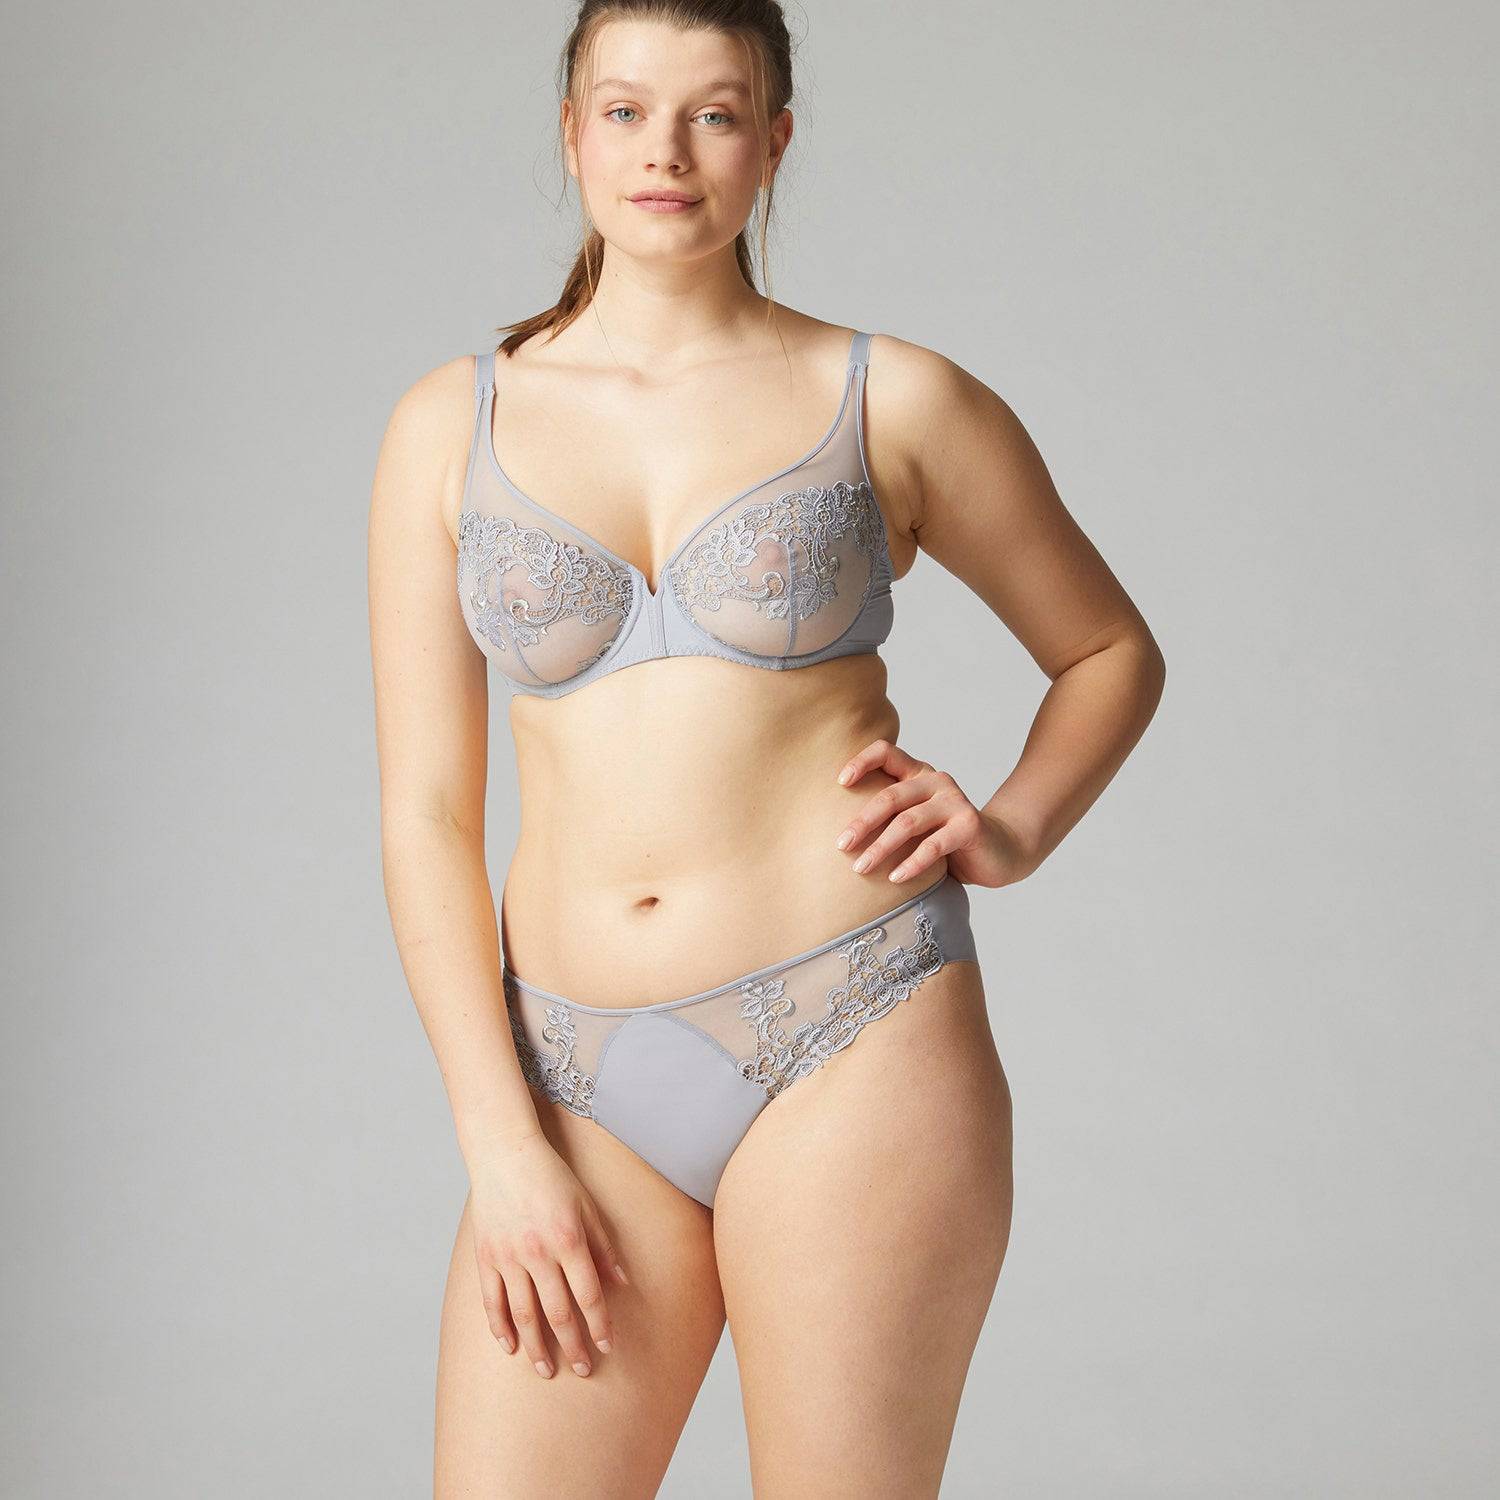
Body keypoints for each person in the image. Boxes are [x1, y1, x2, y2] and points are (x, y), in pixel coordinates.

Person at [368, 3, 1165, 1494]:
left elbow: (1109, 651)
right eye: (625, 111)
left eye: (716, 113)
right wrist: (501, 1146)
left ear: (775, 142)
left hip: (854, 1033)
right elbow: (424, 817)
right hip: (568, 1080)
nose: (665, 152)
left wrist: (1009, 828)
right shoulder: (447, 425)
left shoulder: (889, 396)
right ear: (571, 134)